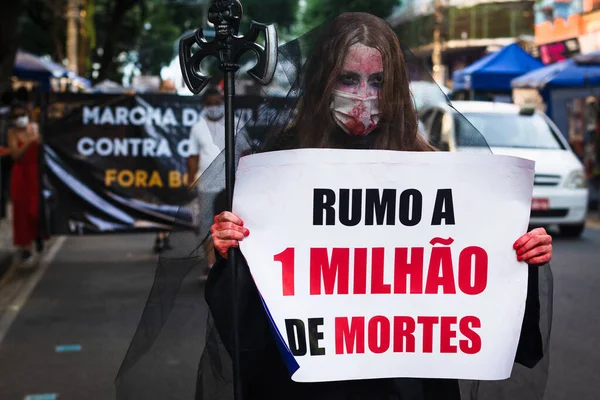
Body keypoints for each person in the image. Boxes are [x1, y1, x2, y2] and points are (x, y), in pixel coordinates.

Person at [116, 13, 553, 400]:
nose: (363, 95)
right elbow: (242, 327)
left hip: (406, 387)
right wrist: (231, 251)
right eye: (348, 79)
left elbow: (478, 297)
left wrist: (520, 257)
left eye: (377, 81)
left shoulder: (436, 176)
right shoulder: (271, 176)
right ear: (324, 81)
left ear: (396, 86)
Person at [187, 87, 225, 278]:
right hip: (207, 186)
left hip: (231, 186)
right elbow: (192, 157)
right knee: (207, 227)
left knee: (233, 226)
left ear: (223, 103)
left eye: (217, 103)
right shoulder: (198, 127)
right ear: (204, 105)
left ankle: (231, 267)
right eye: (210, 104)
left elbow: (244, 154)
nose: (214, 108)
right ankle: (211, 268)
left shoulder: (235, 123)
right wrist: (190, 181)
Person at [7, 103, 42, 266]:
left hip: (35, 174)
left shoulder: (35, 128)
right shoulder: (12, 133)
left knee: (35, 209)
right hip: (20, 175)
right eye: (16, 115)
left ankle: (38, 236)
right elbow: (15, 155)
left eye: (22, 114)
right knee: (21, 210)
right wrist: (28, 142)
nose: (19, 118)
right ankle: (25, 246)